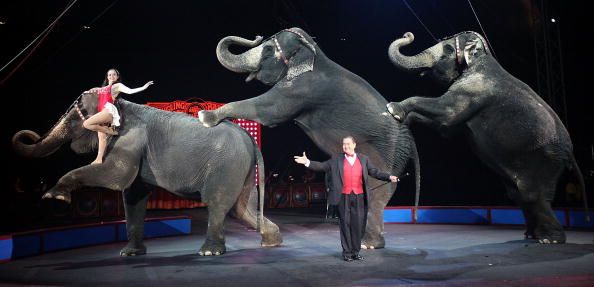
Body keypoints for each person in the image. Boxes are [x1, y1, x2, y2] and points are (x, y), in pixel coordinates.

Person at [294, 136, 398, 262]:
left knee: (357, 225)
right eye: (344, 144)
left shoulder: (364, 159)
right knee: (345, 224)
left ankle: (355, 251)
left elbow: (374, 172)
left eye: (348, 144)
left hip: (359, 196)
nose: (346, 146)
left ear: (354, 145)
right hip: (343, 196)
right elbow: (322, 166)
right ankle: (347, 253)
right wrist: (307, 162)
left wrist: (388, 177)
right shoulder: (336, 159)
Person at [82, 68, 153, 164]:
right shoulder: (102, 88)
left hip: (108, 111)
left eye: (114, 74)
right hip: (101, 112)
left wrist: (144, 87)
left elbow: (130, 91)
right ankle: (99, 159)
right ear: (107, 77)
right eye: (109, 75)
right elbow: (96, 90)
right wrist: (89, 91)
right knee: (101, 137)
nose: (111, 76)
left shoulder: (117, 86)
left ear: (117, 76)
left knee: (86, 123)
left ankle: (110, 130)